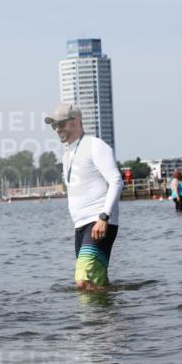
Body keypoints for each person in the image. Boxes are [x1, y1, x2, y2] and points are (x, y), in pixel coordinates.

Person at [44, 103, 124, 290]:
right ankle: (109, 316)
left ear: (77, 121)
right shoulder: (66, 155)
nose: (57, 129)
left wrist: (104, 217)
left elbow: (116, 181)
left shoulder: (95, 145)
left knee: (83, 280)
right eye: (54, 125)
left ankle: (91, 320)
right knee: (96, 280)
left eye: (61, 123)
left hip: (98, 221)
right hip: (80, 226)